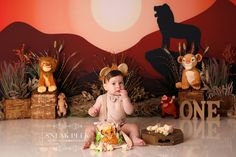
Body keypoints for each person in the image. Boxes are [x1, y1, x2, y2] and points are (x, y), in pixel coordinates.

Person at [83, 63, 145, 149]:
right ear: (105, 86)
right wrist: (92, 111)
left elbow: (129, 111)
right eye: (113, 83)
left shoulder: (123, 98)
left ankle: (134, 138)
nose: (118, 86)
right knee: (89, 128)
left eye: (121, 83)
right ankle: (89, 140)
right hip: (103, 128)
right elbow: (94, 109)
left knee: (134, 127)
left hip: (120, 127)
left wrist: (125, 98)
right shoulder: (101, 98)